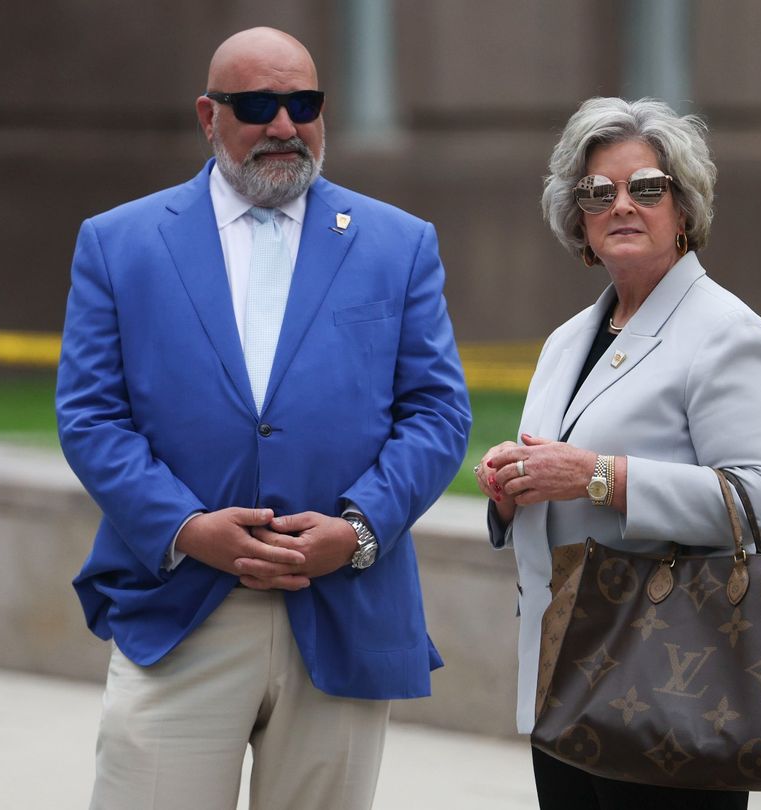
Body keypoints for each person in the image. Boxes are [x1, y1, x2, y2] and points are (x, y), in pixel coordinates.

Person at [56, 27, 470, 810]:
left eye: (303, 103)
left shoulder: (398, 244)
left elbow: (437, 413)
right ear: (208, 116)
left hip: (343, 608)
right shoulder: (119, 244)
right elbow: (90, 417)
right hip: (180, 610)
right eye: (257, 105)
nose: (284, 125)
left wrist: (357, 530)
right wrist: (187, 527)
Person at [476, 97, 761, 810]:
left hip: (674, 684)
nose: (622, 204)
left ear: (684, 210)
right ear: (579, 218)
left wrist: (597, 476)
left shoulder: (726, 333)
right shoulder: (567, 339)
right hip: (565, 677)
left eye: (645, 187)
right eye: (598, 192)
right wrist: (515, 489)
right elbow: (561, 483)